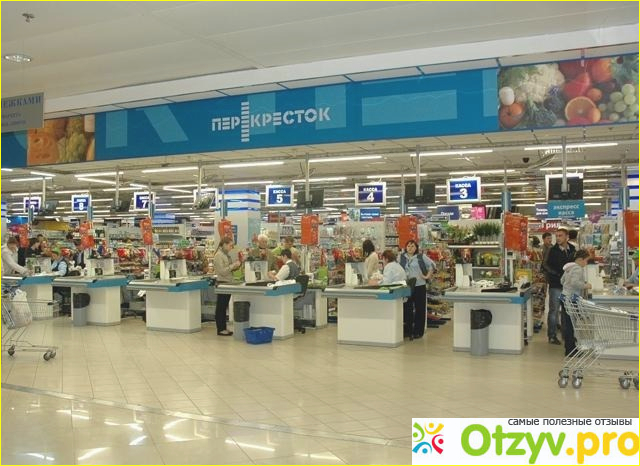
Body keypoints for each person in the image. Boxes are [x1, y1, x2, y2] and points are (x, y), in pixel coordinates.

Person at [543, 227, 576, 345]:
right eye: (556, 236)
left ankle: (566, 335)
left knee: (567, 310)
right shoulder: (552, 250)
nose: (557, 238)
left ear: (567, 237)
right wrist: (556, 274)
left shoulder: (572, 249)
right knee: (554, 310)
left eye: (560, 236)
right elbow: (545, 265)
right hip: (556, 284)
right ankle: (552, 336)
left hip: (568, 285)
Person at [399, 240, 436, 339]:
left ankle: (418, 331)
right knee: (407, 308)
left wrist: (427, 276)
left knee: (420, 309)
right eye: (408, 246)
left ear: (416, 248)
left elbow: (432, 265)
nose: (410, 248)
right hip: (406, 286)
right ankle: (408, 330)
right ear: (405, 247)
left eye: (412, 246)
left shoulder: (421, 257)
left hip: (419, 285)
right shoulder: (401, 257)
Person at [560, 249, 592, 356]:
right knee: (571, 325)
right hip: (571, 299)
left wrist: (569, 285)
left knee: (569, 324)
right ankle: (571, 350)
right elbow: (574, 283)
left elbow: (562, 281)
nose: (586, 263)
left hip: (564, 297)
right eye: (586, 261)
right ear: (581, 259)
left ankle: (570, 347)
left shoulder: (569, 267)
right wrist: (585, 285)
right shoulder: (578, 268)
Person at [213, 237, 242, 336]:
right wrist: (233, 265)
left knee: (224, 306)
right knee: (221, 307)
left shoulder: (226, 255)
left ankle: (224, 327)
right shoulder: (218, 255)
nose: (231, 248)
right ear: (224, 244)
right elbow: (222, 271)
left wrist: (237, 265)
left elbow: (229, 270)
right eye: (230, 245)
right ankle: (220, 329)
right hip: (222, 283)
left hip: (228, 282)